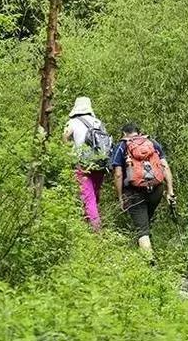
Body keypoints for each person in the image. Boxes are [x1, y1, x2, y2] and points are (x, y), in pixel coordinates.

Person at [111, 123, 175, 256]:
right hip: (156, 190)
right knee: (145, 220)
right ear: (139, 133)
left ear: (124, 134)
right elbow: (165, 167)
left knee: (142, 228)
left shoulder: (122, 146)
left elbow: (118, 174)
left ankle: (150, 263)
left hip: (134, 193)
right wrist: (170, 192)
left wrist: (120, 197)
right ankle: (146, 245)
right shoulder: (152, 143)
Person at [63, 96, 113, 231]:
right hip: (100, 164)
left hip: (83, 165)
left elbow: (64, 140)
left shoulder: (72, 122)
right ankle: (89, 227)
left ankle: (96, 232)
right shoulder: (98, 122)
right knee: (94, 197)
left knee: (88, 198)